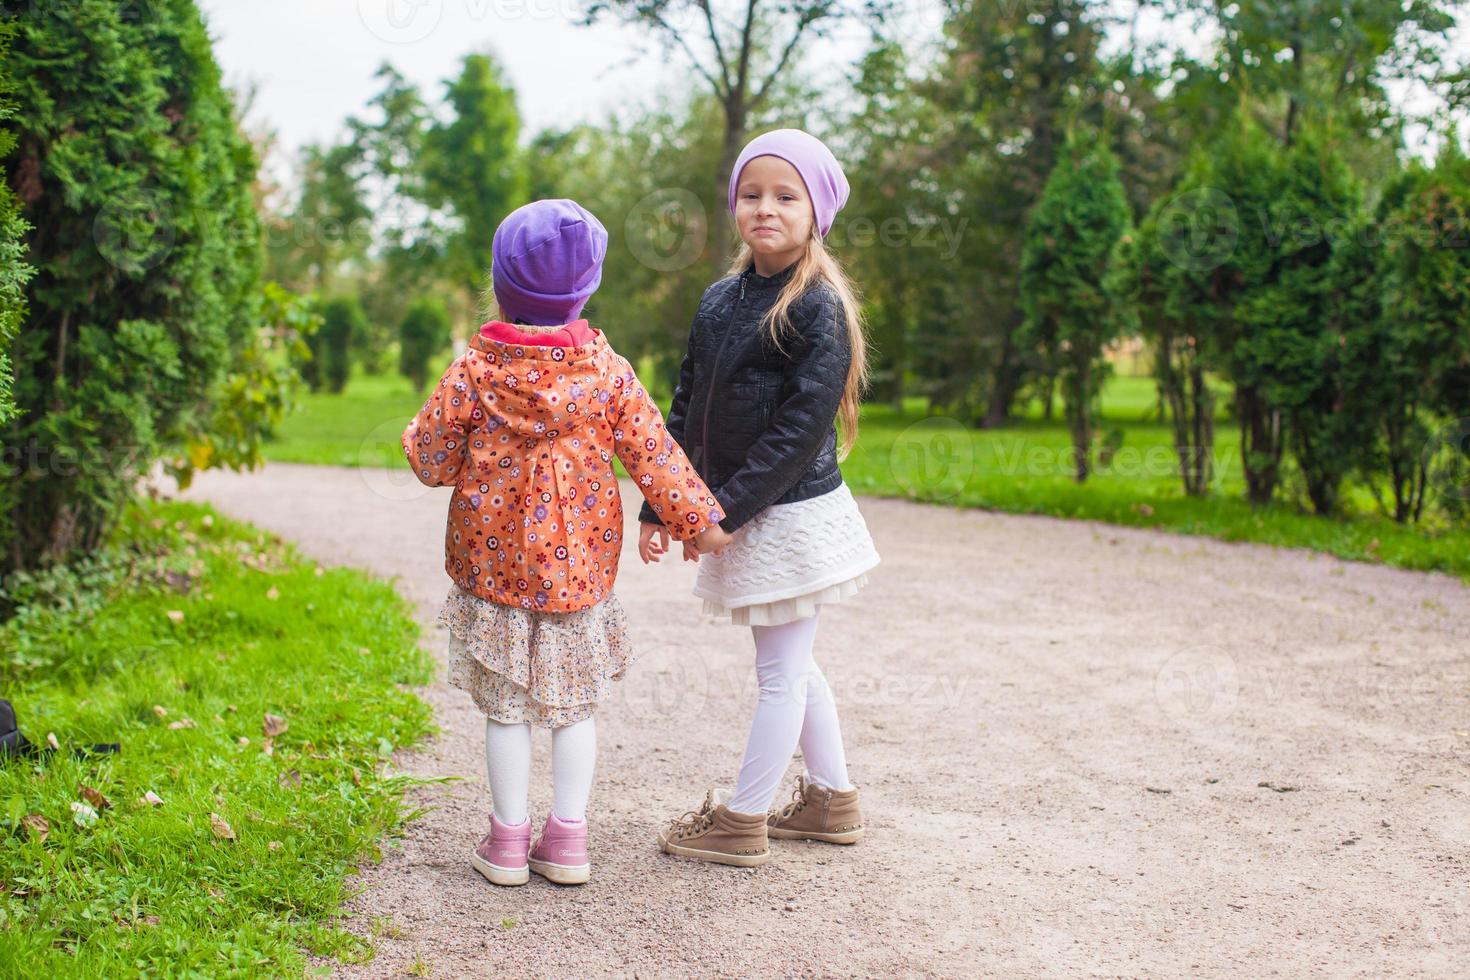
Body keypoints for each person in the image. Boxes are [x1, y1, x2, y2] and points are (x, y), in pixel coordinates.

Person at [402, 199, 730, 886]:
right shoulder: (608, 372)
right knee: (574, 708)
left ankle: (506, 843)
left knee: (507, 711)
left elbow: (430, 459)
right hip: (577, 573)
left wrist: (460, 458)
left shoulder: (474, 369)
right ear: (586, 289)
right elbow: (654, 451)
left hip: (492, 570)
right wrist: (696, 520)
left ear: (500, 285)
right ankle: (569, 842)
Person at [639, 130, 881, 867]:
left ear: (817, 212)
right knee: (794, 667)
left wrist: (725, 512)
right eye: (751, 194)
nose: (765, 208)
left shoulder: (816, 307)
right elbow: (683, 406)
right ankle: (831, 801)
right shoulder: (720, 299)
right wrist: (662, 500)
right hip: (743, 514)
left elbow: (800, 432)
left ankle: (742, 820)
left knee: (779, 674)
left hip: (788, 517)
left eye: (785, 196)